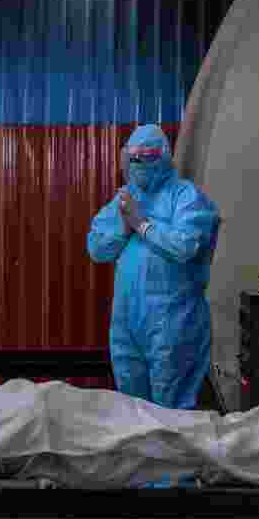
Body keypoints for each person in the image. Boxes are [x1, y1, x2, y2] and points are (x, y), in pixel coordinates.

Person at [87, 124, 220, 410]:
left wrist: (142, 225)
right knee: (134, 413)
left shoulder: (186, 198)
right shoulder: (125, 200)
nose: (138, 165)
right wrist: (124, 226)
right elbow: (97, 249)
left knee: (172, 414)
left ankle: (175, 456)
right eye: (132, 158)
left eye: (145, 157)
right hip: (127, 322)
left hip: (173, 322)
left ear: (163, 157)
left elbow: (185, 246)